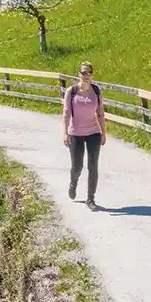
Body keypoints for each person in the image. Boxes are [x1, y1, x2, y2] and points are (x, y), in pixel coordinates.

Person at [62, 61, 106, 208]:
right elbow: (66, 113)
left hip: (94, 132)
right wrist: (65, 133)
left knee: (93, 166)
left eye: (89, 72)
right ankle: (73, 183)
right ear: (78, 74)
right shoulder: (72, 91)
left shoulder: (96, 91)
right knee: (77, 166)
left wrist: (103, 133)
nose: (86, 75)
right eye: (83, 72)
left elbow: (100, 113)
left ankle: (90, 199)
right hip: (75, 133)